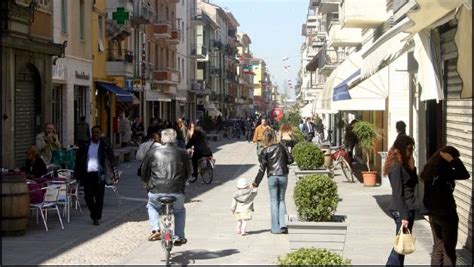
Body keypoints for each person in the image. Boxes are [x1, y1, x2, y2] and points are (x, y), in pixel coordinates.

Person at [420, 146, 470, 266]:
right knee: (448, 249)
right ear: (445, 155)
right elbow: (465, 174)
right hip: (447, 213)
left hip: (433, 213)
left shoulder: (429, 168)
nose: (454, 159)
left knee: (438, 247)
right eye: (453, 156)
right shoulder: (444, 170)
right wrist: (454, 161)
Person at [141, 129, 191, 245]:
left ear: (162, 139)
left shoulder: (152, 152)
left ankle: (155, 229)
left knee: (152, 206)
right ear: (175, 139)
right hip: (177, 190)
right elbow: (188, 172)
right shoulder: (182, 153)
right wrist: (183, 182)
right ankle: (179, 236)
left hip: (156, 189)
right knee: (179, 211)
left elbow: (144, 171)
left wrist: (146, 183)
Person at [383, 135, 418, 266]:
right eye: (409, 148)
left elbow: (414, 182)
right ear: (403, 148)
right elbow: (398, 193)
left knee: (403, 245)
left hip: (408, 207)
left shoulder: (403, 164)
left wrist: (413, 167)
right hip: (402, 209)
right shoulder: (396, 166)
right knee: (401, 245)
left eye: (412, 148)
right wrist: (404, 216)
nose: (411, 150)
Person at [252, 129, 294, 234]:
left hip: (272, 177)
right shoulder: (281, 146)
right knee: (282, 200)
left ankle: (275, 228)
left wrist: (256, 183)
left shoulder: (265, 151)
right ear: (274, 136)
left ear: (265, 139)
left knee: (274, 202)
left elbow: (262, 169)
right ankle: (283, 225)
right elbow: (290, 160)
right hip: (283, 175)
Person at [75, 126, 117, 226]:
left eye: (97, 132)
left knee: (99, 197)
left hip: (100, 174)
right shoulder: (86, 145)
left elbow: (111, 158)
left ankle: (96, 217)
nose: (95, 134)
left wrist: (113, 172)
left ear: (101, 133)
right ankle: (94, 212)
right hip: (88, 174)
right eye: (93, 132)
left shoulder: (104, 145)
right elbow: (79, 159)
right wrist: (77, 172)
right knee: (88, 196)